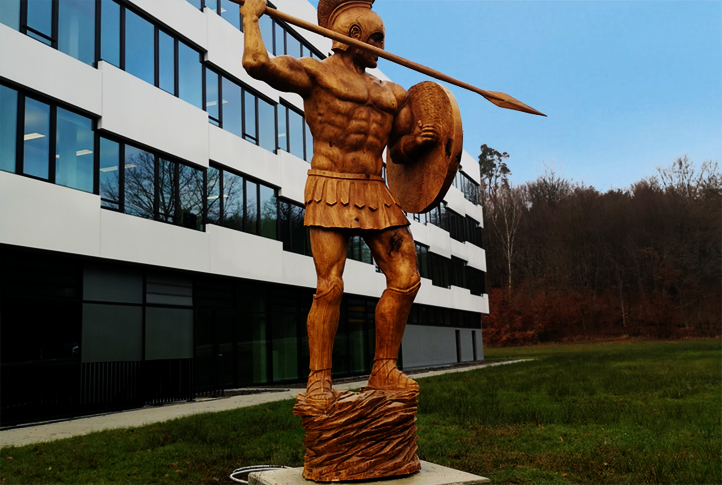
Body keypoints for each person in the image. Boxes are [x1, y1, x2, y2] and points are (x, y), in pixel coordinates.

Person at [241, 0, 439, 408]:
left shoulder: (392, 94)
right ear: (352, 37)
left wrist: (415, 143)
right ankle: (319, 381)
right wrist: (250, 15)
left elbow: (397, 154)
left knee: (406, 277)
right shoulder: (313, 73)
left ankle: (384, 367)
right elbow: (256, 64)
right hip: (330, 185)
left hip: (374, 188)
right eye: (377, 38)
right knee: (330, 286)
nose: (383, 46)